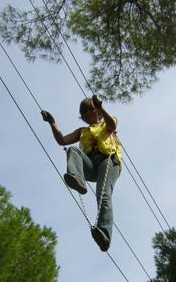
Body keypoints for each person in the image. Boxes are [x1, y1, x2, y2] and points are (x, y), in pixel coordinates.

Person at [41, 95, 121, 252]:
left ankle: (104, 235)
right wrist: (52, 123)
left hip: (108, 160)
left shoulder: (106, 122)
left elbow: (111, 125)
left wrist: (101, 107)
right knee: (72, 150)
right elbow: (62, 140)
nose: (87, 114)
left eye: (90, 109)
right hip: (91, 165)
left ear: (97, 111)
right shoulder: (82, 131)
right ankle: (77, 179)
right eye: (84, 112)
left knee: (103, 194)